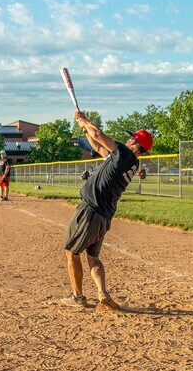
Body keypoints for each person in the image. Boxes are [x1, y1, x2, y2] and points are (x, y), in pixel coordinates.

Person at [61, 111, 153, 311]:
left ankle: (78, 297)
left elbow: (99, 135)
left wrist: (83, 120)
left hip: (91, 210)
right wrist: (85, 128)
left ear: (135, 144)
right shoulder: (126, 161)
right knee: (93, 257)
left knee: (71, 252)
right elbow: (95, 144)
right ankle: (102, 293)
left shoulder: (125, 154)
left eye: (132, 138)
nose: (128, 139)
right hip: (103, 216)